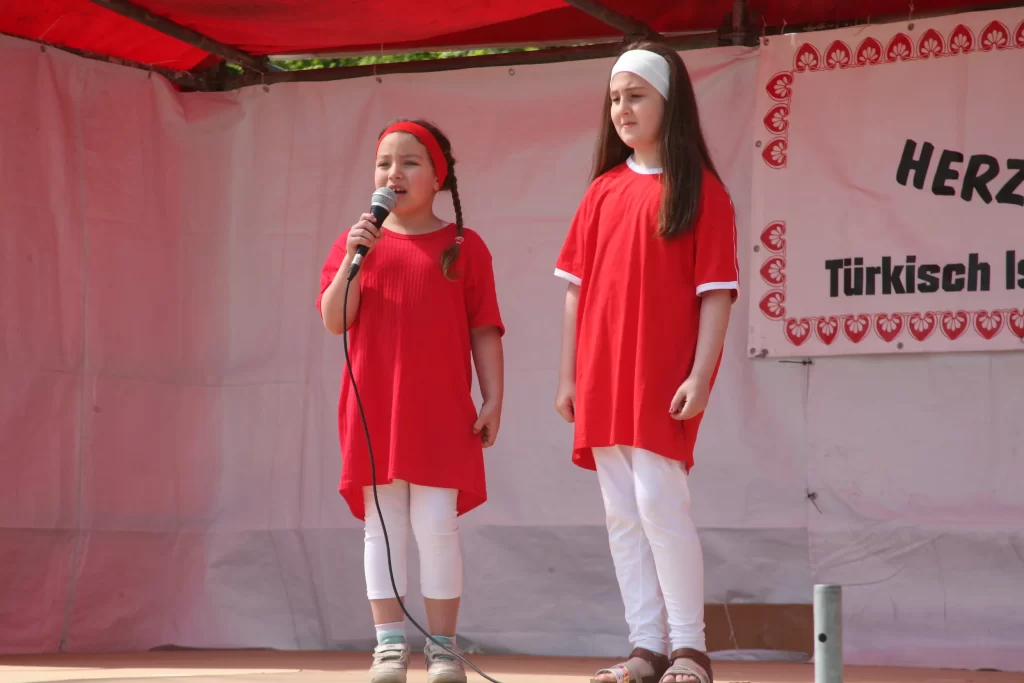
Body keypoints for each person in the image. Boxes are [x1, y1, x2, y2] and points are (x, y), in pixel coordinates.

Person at [553, 41, 739, 683]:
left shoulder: (702, 192)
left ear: (669, 103)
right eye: (614, 98)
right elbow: (575, 291)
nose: (622, 109)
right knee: (621, 512)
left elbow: (716, 293)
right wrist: (568, 376)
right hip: (603, 374)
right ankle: (646, 646)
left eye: (635, 96)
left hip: (660, 375)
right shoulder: (601, 191)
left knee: (660, 501)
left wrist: (699, 373)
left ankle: (689, 648)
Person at [317, 119, 505, 683]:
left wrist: (493, 396)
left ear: (438, 176)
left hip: (440, 412)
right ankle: (390, 645)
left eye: (409, 162)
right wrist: (356, 256)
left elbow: (484, 329)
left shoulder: (464, 247)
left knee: (436, 524)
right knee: (382, 525)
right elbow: (333, 320)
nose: (393, 173)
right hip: (373, 408)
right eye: (383, 163)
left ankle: (443, 647)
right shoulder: (358, 243)